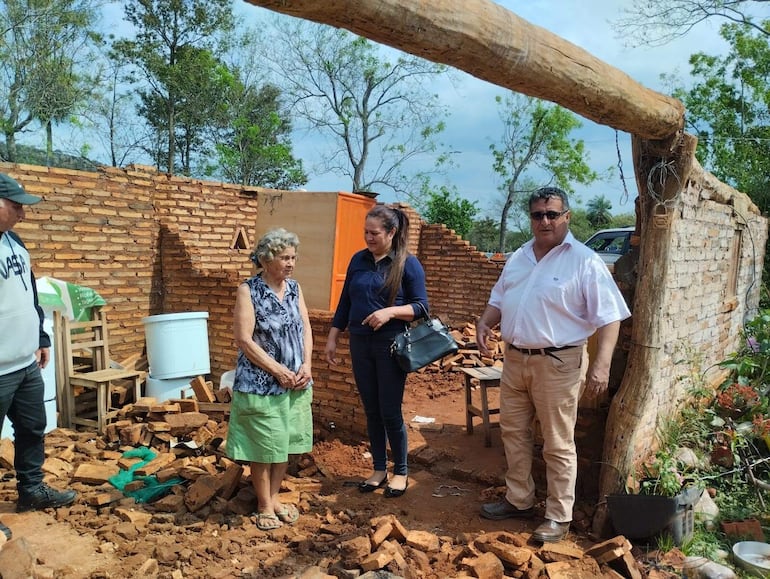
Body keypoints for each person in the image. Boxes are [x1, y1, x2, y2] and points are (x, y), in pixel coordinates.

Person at [476, 186, 631, 543]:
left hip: (559, 362)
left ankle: (558, 517)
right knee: (513, 433)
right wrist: (486, 321)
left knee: (558, 443)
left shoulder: (584, 260)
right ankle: (519, 500)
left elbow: (610, 317)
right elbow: (500, 296)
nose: (544, 221)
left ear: (566, 217)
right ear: (530, 218)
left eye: (552, 214)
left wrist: (601, 367)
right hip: (515, 360)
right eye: (537, 215)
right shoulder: (519, 257)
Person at [325, 205, 428, 498]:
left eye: (374, 233)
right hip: (360, 343)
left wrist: (390, 313)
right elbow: (345, 303)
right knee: (371, 410)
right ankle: (379, 469)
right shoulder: (359, 260)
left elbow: (422, 306)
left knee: (389, 410)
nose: (368, 238)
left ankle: (401, 472)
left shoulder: (407, 264)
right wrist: (333, 337)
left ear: (391, 232)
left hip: (390, 344)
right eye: (365, 232)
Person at [0, 173, 77, 539]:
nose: (22, 214)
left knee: (32, 428)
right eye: (15, 206)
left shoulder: (15, 243)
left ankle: (31, 491)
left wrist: (41, 334)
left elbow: (29, 292)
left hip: (24, 363)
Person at [225, 228, 314, 531]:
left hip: (296, 381)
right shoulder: (248, 290)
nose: (291, 263)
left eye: (293, 257)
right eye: (284, 257)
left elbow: (305, 328)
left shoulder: (294, 288)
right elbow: (244, 340)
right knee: (264, 445)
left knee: (285, 442)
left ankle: (275, 498)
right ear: (265, 259)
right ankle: (264, 504)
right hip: (261, 384)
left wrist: (307, 365)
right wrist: (277, 370)